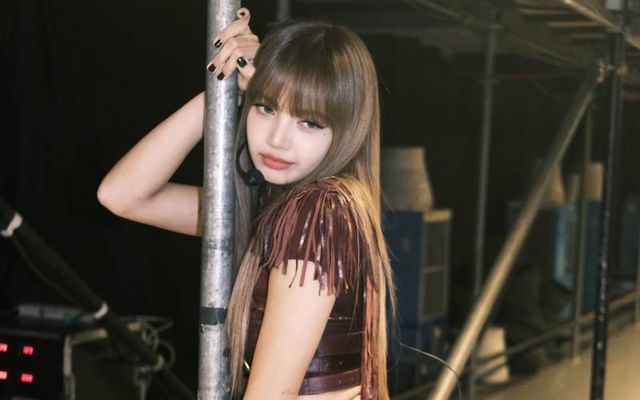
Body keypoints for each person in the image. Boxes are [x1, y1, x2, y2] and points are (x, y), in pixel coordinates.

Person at [97, 8, 397, 400]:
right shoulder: (280, 207)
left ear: (347, 130)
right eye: (266, 107)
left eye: (309, 122)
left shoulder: (317, 211)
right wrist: (223, 90)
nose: (277, 139)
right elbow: (122, 195)